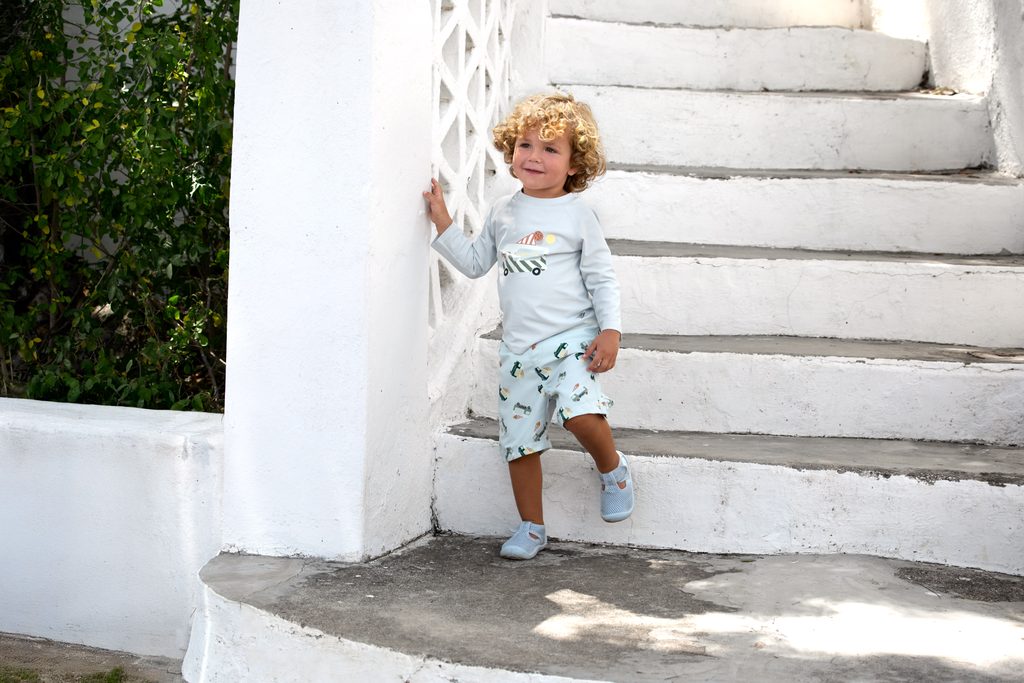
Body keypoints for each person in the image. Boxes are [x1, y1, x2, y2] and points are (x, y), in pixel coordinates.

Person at [423, 92, 633, 560]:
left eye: (550, 149)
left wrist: (611, 331)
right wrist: (443, 222)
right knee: (520, 444)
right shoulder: (504, 211)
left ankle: (613, 469)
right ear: (511, 150)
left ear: (575, 165)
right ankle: (531, 527)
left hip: (573, 341)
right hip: (520, 351)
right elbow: (475, 263)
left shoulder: (578, 215)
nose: (534, 156)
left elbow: (601, 277)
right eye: (525, 145)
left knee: (579, 415)